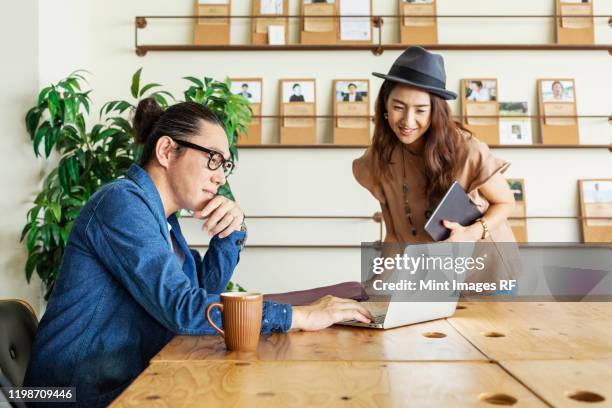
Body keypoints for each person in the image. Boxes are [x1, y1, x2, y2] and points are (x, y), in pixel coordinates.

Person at [24, 99, 372, 406]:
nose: (220, 177)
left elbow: (199, 298)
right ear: (165, 151)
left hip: (122, 385)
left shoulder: (164, 221)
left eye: (225, 165)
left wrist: (230, 234)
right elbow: (184, 311)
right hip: (69, 395)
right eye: (214, 160)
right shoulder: (121, 203)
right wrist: (303, 316)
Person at [353, 46, 519, 279]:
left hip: (489, 275)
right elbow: (394, 237)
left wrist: (471, 233)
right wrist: (376, 286)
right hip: (439, 279)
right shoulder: (378, 160)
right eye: (398, 107)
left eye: (420, 110)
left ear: (435, 112)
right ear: (384, 107)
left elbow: (506, 203)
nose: (408, 121)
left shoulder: (467, 150)